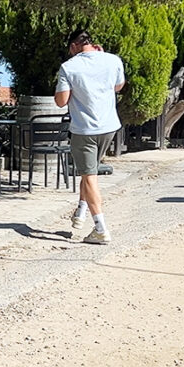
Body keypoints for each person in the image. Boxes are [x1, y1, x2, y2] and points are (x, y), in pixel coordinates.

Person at [54, 29, 125, 244]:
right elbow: (118, 86)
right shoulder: (113, 60)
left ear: (74, 46)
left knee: (90, 176)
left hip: (84, 129)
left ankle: (100, 229)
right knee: (89, 172)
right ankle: (81, 210)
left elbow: (61, 101)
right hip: (109, 126)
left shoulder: (69, 67)